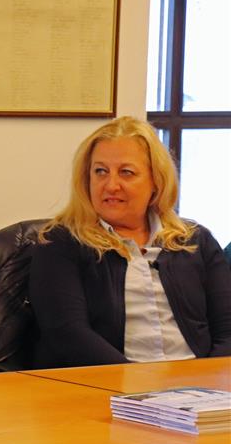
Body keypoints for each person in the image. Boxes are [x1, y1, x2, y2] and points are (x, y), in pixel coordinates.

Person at [30, 116, 231, 368]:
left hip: (197, 381)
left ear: (156, 181)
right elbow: (68, 335)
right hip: (108, 381)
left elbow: (227, 330)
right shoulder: (60, 243)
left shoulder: (195, 241)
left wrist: (207, 379)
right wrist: (135, 382)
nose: (111, 185)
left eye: (126, 172)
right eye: (100, 171)